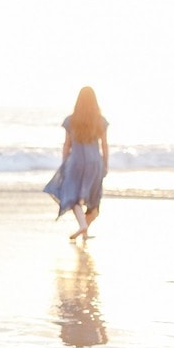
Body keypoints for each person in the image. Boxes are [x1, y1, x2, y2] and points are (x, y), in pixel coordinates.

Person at [43, 86, 110, 241]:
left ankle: (83, 227)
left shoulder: (71, 120)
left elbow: (67, 145)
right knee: (94, 200)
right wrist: (106, 164)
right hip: (95, 163)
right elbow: (104, 145)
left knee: (71, 195)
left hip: (76, 161)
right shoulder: (100, 121)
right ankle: (84, 230)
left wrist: (64, 163)